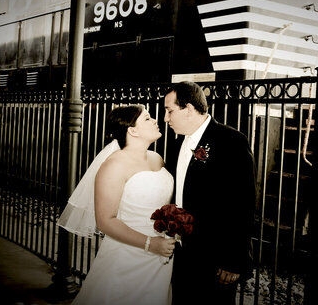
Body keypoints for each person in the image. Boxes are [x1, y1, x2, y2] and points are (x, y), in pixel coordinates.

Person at [57, 104, 176, 305]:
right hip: (128, 254)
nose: (156, 120)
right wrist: (150, 243)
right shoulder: (113, 166)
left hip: (162, 253)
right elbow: (105, 221)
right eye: (147, 118)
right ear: (132, 130)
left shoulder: (157, 159)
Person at [164, 81, 257, 305]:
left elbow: (243, 204)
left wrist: (234, 261)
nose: (166, 118)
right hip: (182, 255)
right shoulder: (177, 144)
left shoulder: (231, 141)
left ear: (188, 109)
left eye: (169, 111)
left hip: (216, 260)